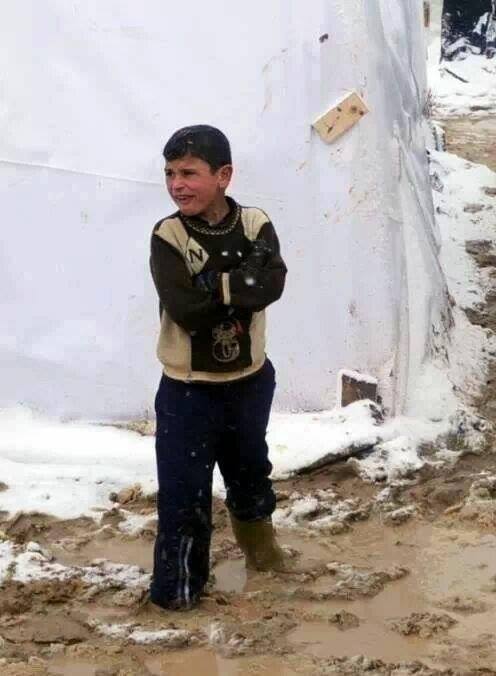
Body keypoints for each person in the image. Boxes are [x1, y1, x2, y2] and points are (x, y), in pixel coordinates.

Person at [148, 124, 288, 610]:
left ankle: (265, 563)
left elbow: (271, 283)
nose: (176, 184)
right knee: (183, 496)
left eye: (189, 172)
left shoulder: (253, 223)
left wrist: (213, 284)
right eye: (169, 173)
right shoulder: (168, 235)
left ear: (223, 175)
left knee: (251, 475)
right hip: (188, 390)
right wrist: (236, 287)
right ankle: (177, 599)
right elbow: (185, 309)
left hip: (249, 383)